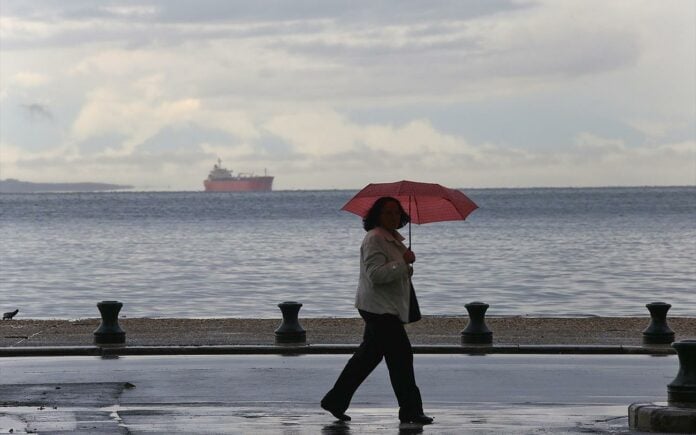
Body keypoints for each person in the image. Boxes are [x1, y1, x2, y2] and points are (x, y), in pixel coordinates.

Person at [320, 196, 434, 425]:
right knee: (401, 357)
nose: (393, 217)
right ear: (377, 216)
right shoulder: (374, 239)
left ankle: (336, 400)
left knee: (368, 357)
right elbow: (376, 275)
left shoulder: (392, 239)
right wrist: (403, 263)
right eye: (388, 213)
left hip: (385, 307)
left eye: (396, 213)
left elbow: (391, 272)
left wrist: (405, 268)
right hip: (379, 309)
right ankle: (411, 411)